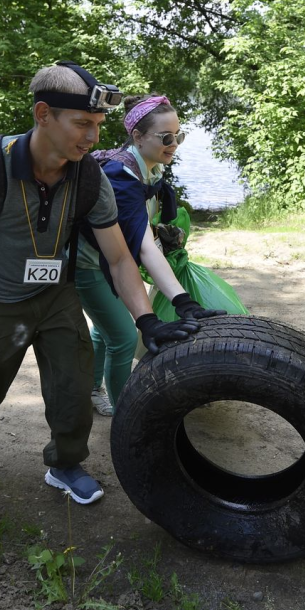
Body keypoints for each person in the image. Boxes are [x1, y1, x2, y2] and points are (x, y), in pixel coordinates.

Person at [0, 63, 215, 505]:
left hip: (56, 297)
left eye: (98, 126)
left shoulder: (90, 176)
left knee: (72, 388)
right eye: (82, 124)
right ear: (43, 114)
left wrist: (145, 321)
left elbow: (118, 256)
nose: (92, 138)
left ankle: (66, 465)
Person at [77, 95, 223, 416]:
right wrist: (183, 304)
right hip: (88, 264)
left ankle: (91, 388)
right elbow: (142, 247)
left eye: (179, 136)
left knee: (105, 328)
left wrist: (164, 236)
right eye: (166, 137)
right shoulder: (121, 177)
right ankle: (125, 415)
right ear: (138, 137)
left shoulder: (149, 168)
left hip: (110, 257)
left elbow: (144, 232)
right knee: (125, 335)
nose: (175, 144)